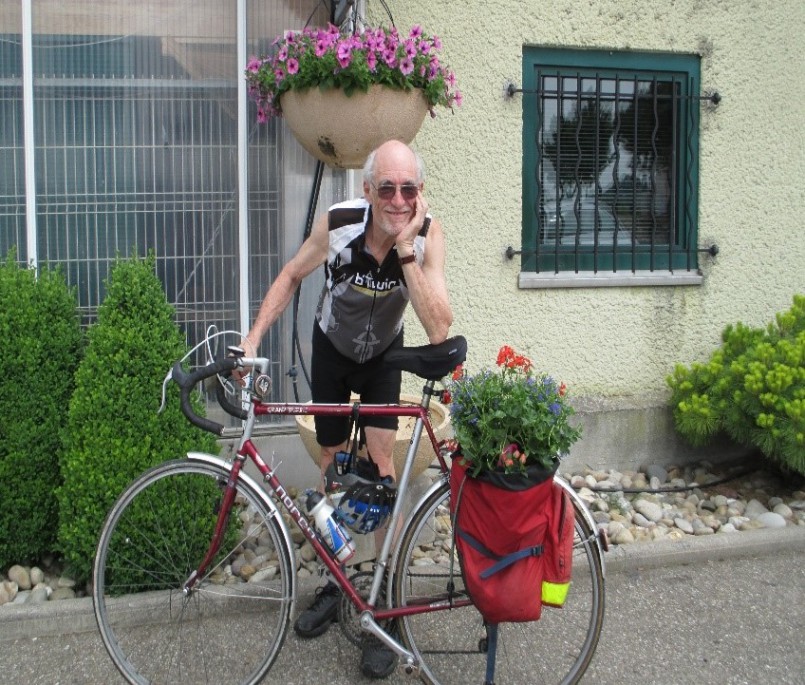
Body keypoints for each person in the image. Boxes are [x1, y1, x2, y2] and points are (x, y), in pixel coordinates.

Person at [239, 140, 453, 679]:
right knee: (333, 471)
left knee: (382, 476)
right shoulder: (338, 223)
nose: (398, 199)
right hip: (333, 350)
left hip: (384, 355)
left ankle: (386, 606)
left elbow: (437, 326)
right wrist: (252, 337)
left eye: (409, 189)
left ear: (419, 193)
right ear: (367, 190)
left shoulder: (427, 236)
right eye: (387, 188)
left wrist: (406, 249)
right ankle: (338, 584)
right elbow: (291, 275)